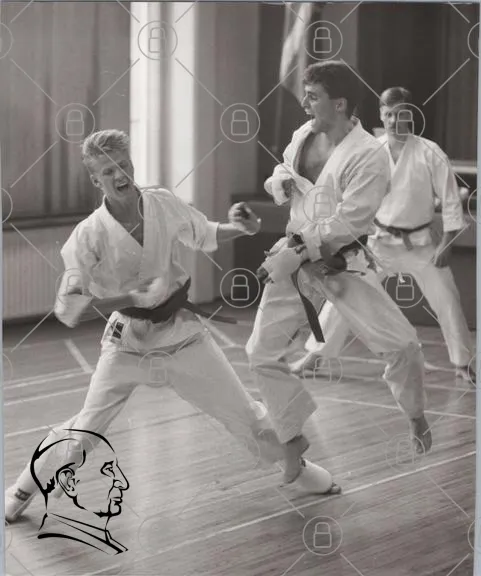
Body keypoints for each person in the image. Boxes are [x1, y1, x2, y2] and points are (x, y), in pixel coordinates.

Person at [5, 129, 339, 524]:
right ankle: (25, 485)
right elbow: (69, 308)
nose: (119, 175)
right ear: (95, 180)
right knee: (85, 431)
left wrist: (242, 228)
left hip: (182, 335)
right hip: (127, 343)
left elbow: (204, 232)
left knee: (243, 411)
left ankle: (296, 467)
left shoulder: (161, 202)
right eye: (108, 171)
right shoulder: (89, 234)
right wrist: (128, 298)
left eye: (123, 165)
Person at [246, 62, 432, 486]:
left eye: (313, 96)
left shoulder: (369, 154)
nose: (304, 102)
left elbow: (349, 222)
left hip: (344, 263)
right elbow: (283, 171)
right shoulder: (303, 134)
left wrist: (299, 251)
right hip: (293, 257)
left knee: (403, 345)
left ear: (341, 103)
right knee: (260, 354)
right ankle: (292, 437)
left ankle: (415, 415)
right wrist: (280, 185)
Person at [291, 87, 475, 384]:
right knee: (346, 291)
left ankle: (463, 363)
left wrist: (447, 242)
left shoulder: (429, 152)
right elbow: (348, 196)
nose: (393, 120)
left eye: (400, 114)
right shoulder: (370, 150)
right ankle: (316, 356)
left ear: (410, 115)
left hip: (420, 244)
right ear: (380, 115)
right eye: (388, 114)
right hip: (377, 243)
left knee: (446, 296)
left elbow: (451, 200)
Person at [32, 429, 129, 555]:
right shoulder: (83, 544)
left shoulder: (101, 540)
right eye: (108, 470)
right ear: (69, 484)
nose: (123, 483)